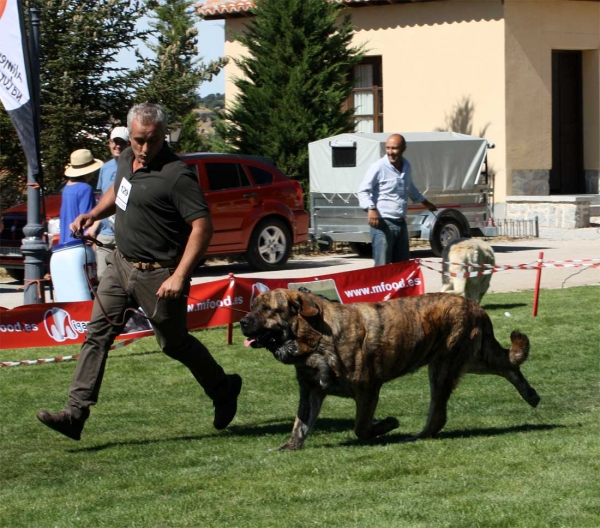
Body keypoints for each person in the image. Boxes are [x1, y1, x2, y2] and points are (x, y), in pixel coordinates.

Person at [37, 103, 242, 441]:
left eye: (153, 140)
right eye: (138, 140)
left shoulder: (177, 175)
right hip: (121, 264)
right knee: (97, 335)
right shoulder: (123, 160)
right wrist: (94, 214)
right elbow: (119, 191)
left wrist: (179, 276)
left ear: (165, 135)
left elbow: (202, 227)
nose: (145, 149)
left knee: (173, 343)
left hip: (160, 275)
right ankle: (75, 414)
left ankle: (223, 389)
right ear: (128, 136)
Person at [357, 133, 437, 266]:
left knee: (402, 266)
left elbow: (409, 187)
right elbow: (363, 190)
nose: (390, 152)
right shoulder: (378, 167)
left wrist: (426, 203)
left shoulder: (406, 166)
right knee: (382, 266)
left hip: (400, 222)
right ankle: (380, 286)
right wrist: (371, 209)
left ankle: (398, 288)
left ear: (404, 148)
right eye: (388, 148)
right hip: (382, 223)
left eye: (394, 148)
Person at [88, 126, 130, 279]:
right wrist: (93, 227)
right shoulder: (105, 168)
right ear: (110, 143)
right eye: (115, 141)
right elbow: (102, 201)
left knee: (125, 278)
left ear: (128, 144)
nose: (118, 146)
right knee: (103, 278)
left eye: (122, 142)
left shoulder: (135, 166)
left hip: (126, 234)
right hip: (105, 234)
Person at [58, 149, 102, 245]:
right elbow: (86, 218)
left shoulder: (67, 187)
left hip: (65, 241)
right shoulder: (85, 188)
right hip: (79, 242)